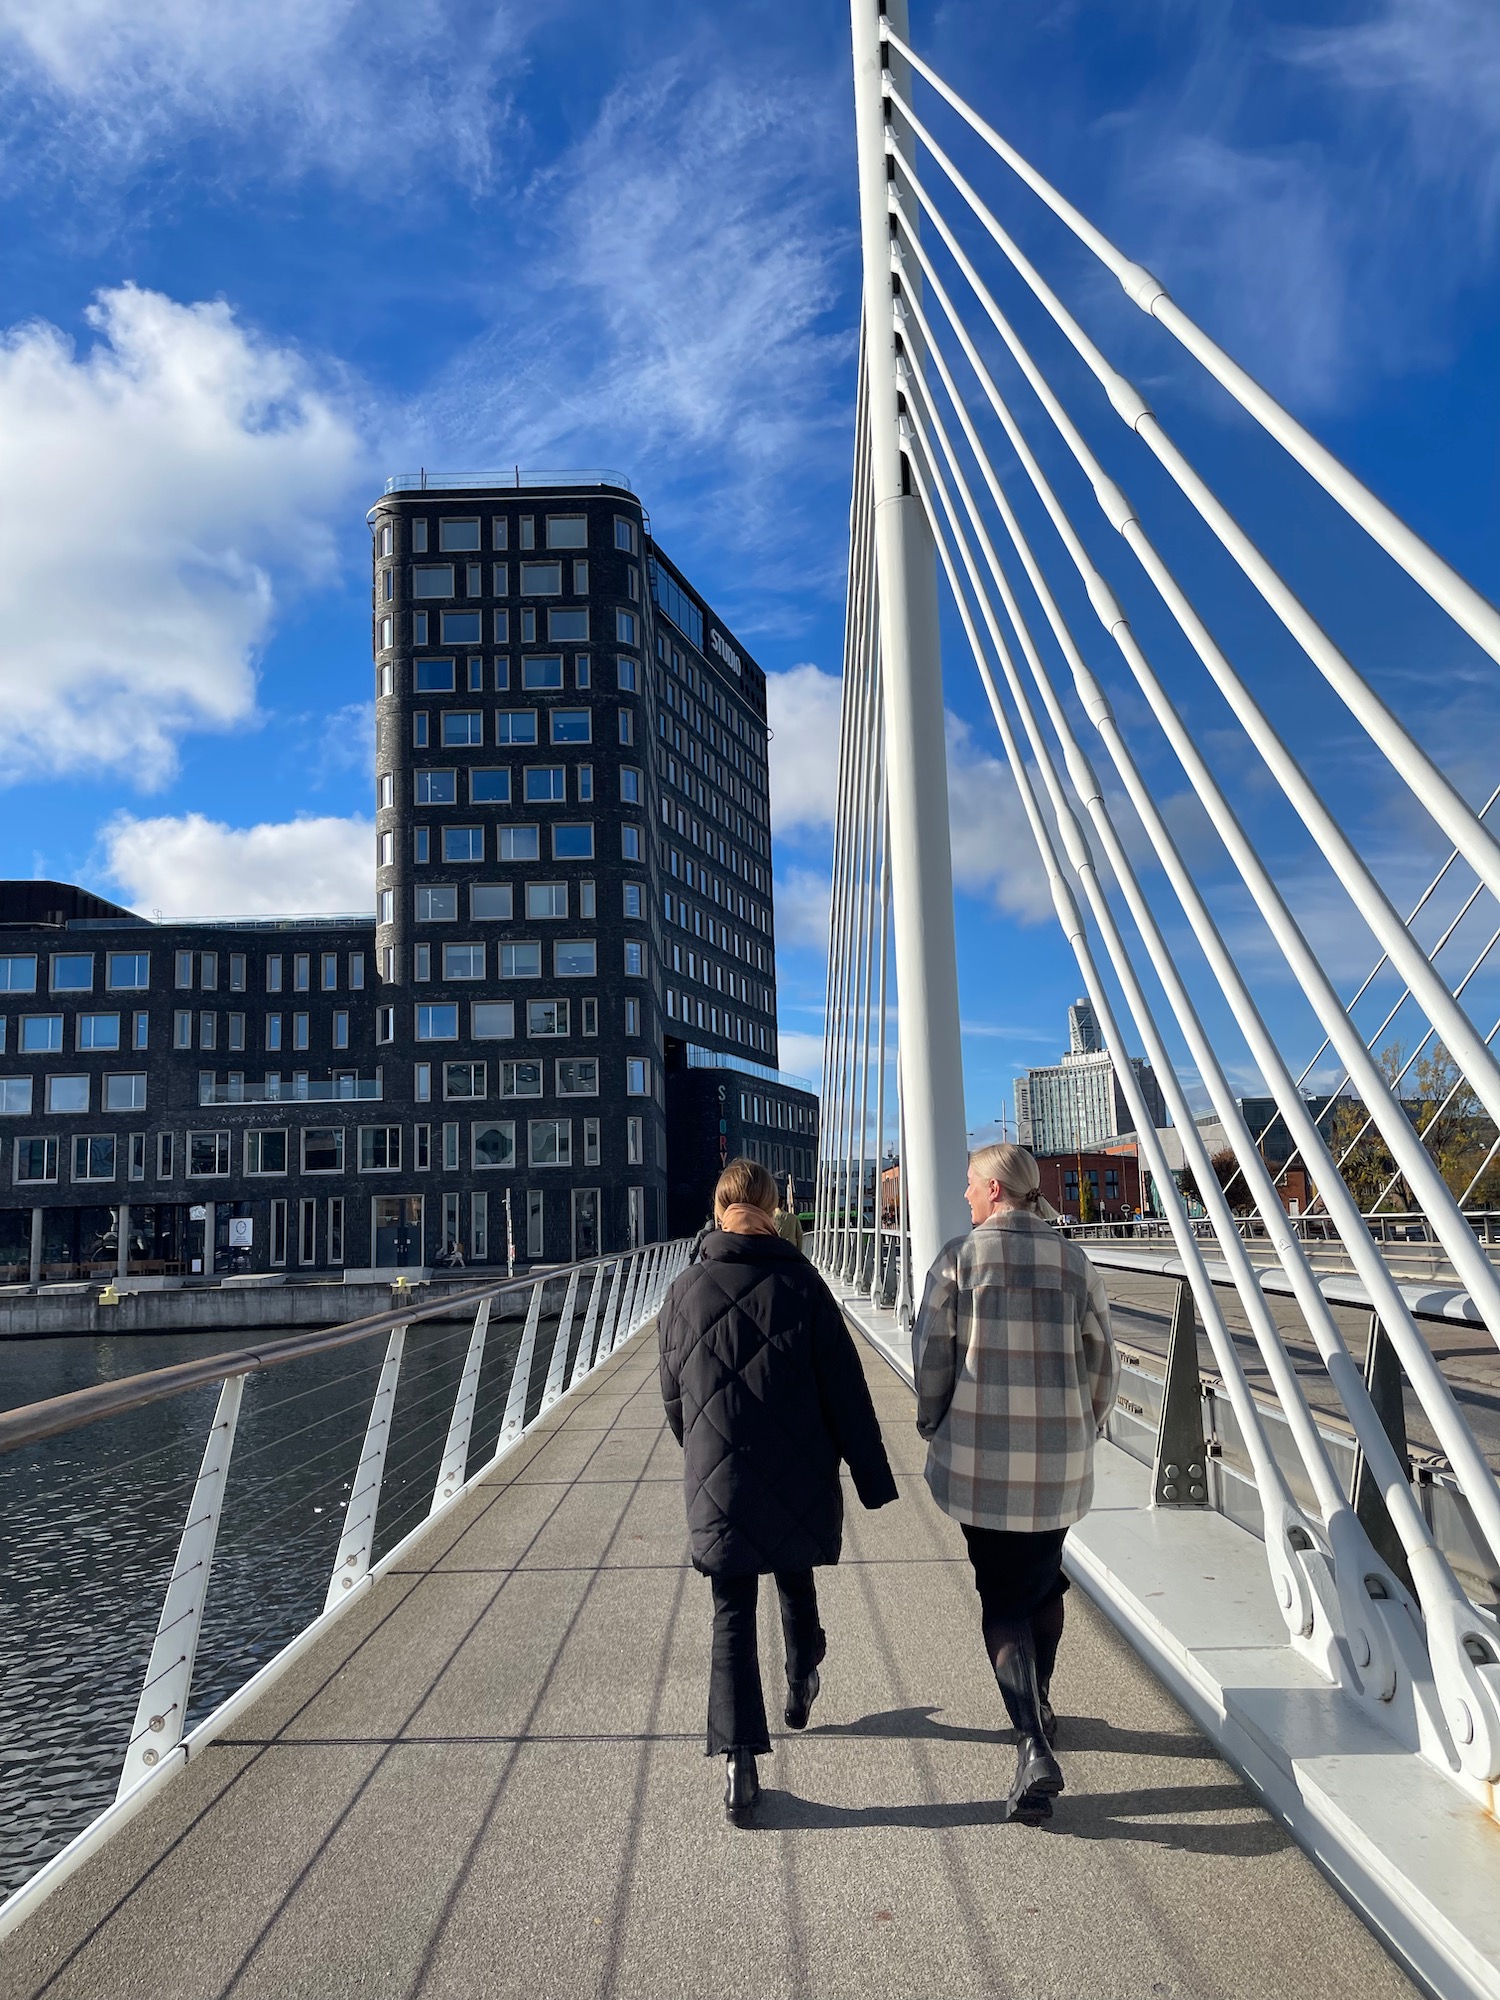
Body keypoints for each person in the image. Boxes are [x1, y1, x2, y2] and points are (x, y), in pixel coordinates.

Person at [658, 1157, 898, 1824]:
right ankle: (800, 1677)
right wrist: (872, 1479)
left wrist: (702, 1449)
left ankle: (739, 1766)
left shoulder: (684, 1289)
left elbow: (672, 1392)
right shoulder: (805, 1284)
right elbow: (845, 1390)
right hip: (799, 1465)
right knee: (795, 1575)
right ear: (771, 1210)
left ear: (719, 1209)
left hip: (721, 1476)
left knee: (731, 1613)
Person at [913, 1141, 1118, 1824]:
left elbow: (933, 1356)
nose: (965, 1195)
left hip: (981, 1459)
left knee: (1000, 1592)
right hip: (1056, 1461)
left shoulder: (959, 1260)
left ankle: (1030, 1739)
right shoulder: (1074, 1261)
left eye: (971, 1184)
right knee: (1043, 1579)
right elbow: (1101, 1363)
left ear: (996, 1189)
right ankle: (1044, 1699)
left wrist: (931, 1419)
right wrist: (1080, 1425)